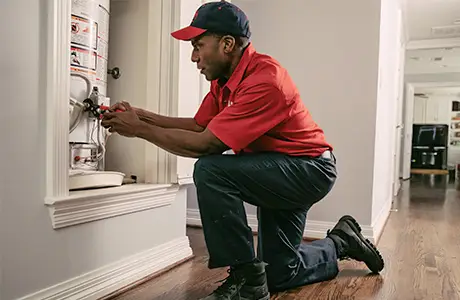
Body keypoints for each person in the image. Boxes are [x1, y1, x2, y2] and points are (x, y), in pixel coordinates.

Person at [101, 1, 384, 299]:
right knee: (279, 273)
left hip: (308, 170)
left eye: (199, 45)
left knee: (211, 170)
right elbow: (201, 127)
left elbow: (208, 144)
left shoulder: (266, 81)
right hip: (277, 168)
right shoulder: (223, 80)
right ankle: (342, 241)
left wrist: (139, 129)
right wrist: (142, 115)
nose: (194, 57)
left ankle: (247, 279)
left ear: (227, 44)